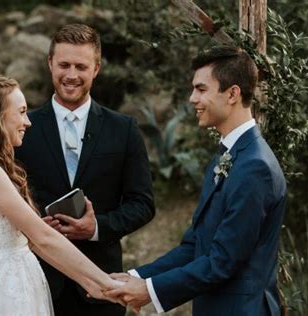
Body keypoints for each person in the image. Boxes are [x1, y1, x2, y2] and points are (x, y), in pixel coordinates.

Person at [106, 46, 287, 316]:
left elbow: (222, 261)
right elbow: (195, 247)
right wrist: (135, 277)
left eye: (201, 89)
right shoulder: (228, 156)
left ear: (232, 94)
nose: (192, 99)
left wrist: (149, 290)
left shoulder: (255, 166)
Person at [0, 74, 122, 315]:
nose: (27, 122)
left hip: (6, 282)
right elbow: (43, 237)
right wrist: (105, 282)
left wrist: (92, 283)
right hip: (5, 291)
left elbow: (37, 242)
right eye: (21, 111)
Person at [14, 24, 155, 316]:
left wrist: (96, 228)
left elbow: (142, 204)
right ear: (50, 63)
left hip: (100, 286)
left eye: (81, 66)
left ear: (96, 68)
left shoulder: (124, 129)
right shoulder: (21, 129)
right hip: (35, 283)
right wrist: (37, 225)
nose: (71, 75)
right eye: (64, 64)